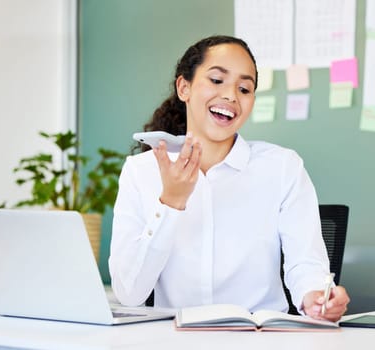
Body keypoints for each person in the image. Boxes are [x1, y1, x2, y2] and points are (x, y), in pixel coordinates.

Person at [109, 35, 350, 322]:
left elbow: (306, 263)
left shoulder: (283, 167)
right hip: (175, 338)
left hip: (260, 337)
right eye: (217, 80)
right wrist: (171, 202)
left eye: (244, 88)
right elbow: (129, 294)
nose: (231, 96)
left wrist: (316, 297)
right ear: (183, 87)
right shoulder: (141, 171)